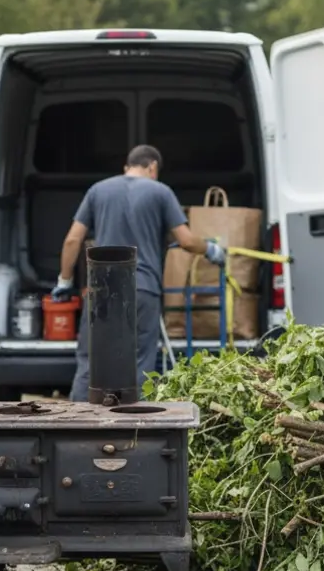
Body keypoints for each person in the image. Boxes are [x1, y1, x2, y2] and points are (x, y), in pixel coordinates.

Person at [53, 145, 225, 402]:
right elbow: (186, 240)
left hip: (101, 289)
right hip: (142, 287)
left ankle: (77, 429)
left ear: (127, 167)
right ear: (153, 166)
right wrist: (211, 249)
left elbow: (72, 241)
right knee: (140, 362)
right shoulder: (161, 192)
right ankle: (137, 432)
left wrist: (64, 280)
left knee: (90, 360)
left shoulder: (98, 190)